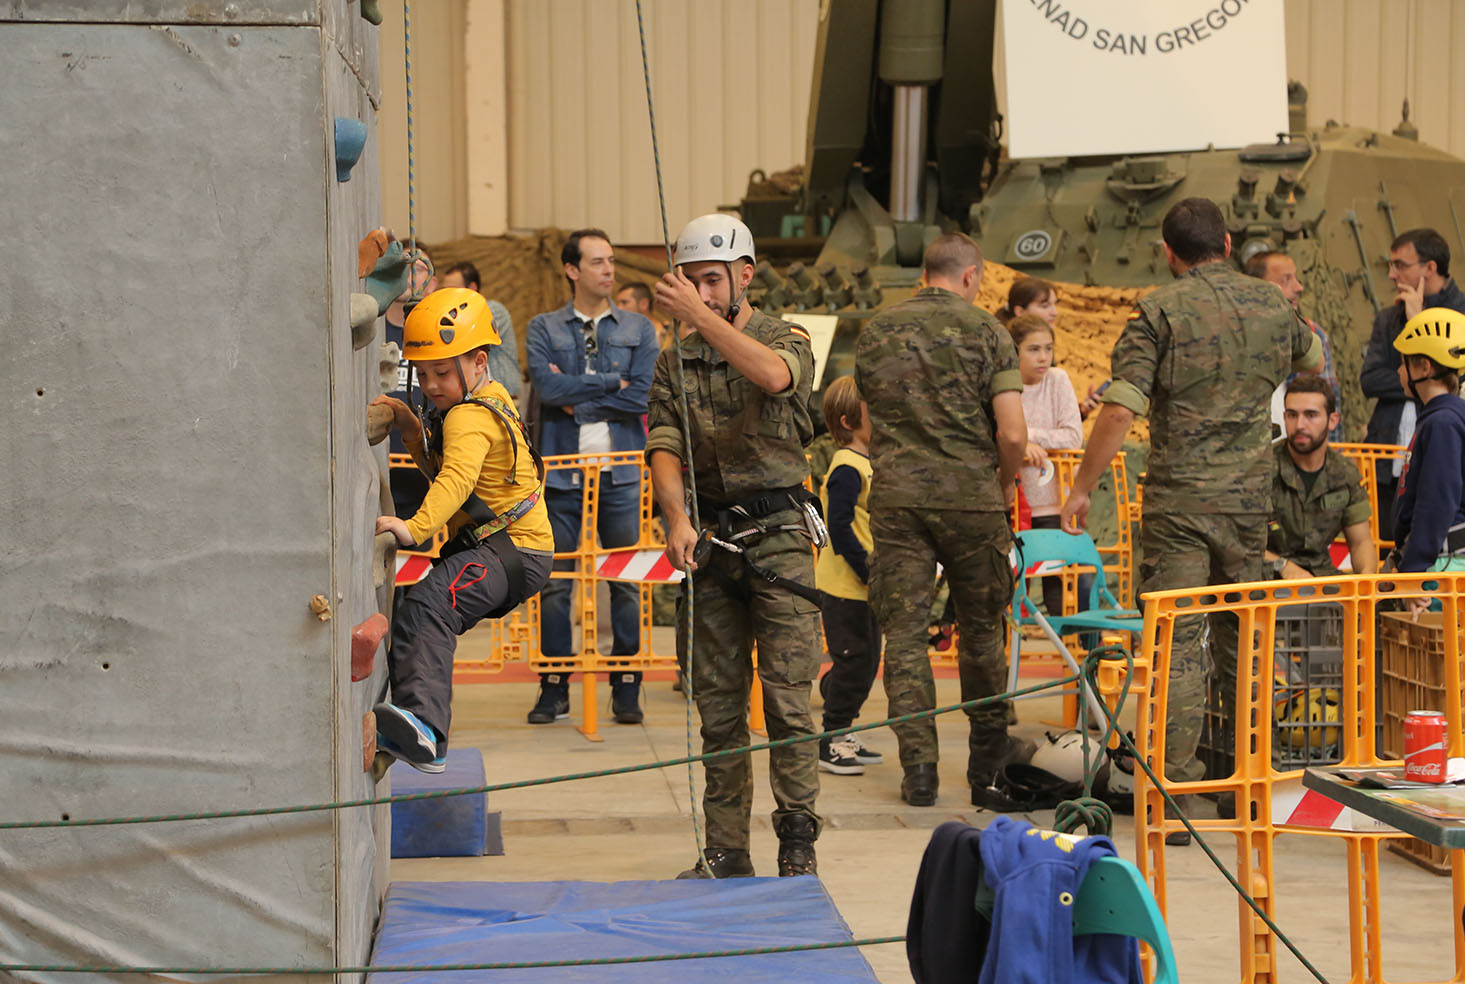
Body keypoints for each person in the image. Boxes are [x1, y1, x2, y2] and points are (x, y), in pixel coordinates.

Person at [1059, 198, 1320, 844]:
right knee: (1244, 640)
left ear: (1169, 253)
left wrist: (1081, 487)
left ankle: (1173, 798)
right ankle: (1245, 787)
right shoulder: (1271, 306)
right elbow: (1312, 359)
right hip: (1247, 504)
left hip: (1179, 506)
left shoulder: (1159, 311)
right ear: (1227, 242)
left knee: (1176, 645)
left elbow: (1120, 409)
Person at [646, 213, 822, 879]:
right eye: (690, 280)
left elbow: (775, 377)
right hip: (713, 540)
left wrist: (701, 317)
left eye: (712, 280)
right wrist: (676, 518)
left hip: (779, 538)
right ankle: (726, 848)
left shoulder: (785, 336)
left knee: (786, 701)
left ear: (744, 276)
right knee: (718, 706)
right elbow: (664, 441)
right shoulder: (673, 360)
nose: (700, 291)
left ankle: (796, 842)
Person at [854, 232, 1030, 810]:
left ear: (925, 271)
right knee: (982, 636)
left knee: (904, 640)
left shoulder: (877, 331)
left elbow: (871, 419)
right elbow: (1011, 432)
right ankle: (986, 769)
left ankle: (920, 773)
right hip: (971, 499)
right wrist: (1002, 485)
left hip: (899, 501)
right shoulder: (989, 332)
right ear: (972, 275)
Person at [370, 288, 554, 772]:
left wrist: (416, 528)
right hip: (507, 550)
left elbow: (455, 480)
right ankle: (405, 721)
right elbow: (448, 469)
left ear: (478, 361)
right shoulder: (487, 400)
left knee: (430, 606)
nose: (430, 384)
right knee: (418, 611)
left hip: (510, 552)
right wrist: (412, 429)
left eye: (442, 372)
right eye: (424, 373)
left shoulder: (470, 417)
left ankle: (426, 732)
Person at [525, 229, 659, 726]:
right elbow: (546, 384)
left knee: (625, 581)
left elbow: (641, 396)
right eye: (598, 262)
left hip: (621, 475)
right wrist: (609, 384)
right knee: (555, 581)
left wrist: (576, 402)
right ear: (572, 270)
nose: (610, 270)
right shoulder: (543, 327)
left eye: (611, 261)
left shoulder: (640, 330)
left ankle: (626, 686)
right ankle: (553, 686)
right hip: (560, 477)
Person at [1361, 229, 1465, 540]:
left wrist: (1418, 321)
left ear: (1429, 268)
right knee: (1386, 538)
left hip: (1444, 449)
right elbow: (1370, 379)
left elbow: (1455, 380)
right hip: (1387, 452)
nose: (1392, 274)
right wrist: (1424, 378)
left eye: (1400, 265)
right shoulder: (1388, 318)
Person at [813, 376, 883, 776]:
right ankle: (831, 738)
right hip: (846, 586)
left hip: (865, 585)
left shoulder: (868, 463)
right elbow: (838, 527)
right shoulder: (846, 467)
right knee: (853, 661)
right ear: (849, 421)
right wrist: (866, 572)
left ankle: (844, 728)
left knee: (867, 661)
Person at [1387, 307, 1465, 614]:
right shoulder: (1441, 419)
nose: (1398, 372)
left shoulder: (1443, 423)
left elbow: (1436, 503)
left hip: (1442, 569)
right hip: (1437, 564)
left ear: (1423, 366)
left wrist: (1413, 574)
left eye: (1403, 363)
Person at [1007, 313, 1084, 618]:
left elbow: (1072, 436)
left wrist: (1026, 437)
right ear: (1015, 351)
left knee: (1061, 581)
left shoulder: (1058, 379)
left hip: (1054, 502)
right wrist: (1019, 444)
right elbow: (998, 433)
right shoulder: (1005, 384)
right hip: (1012, 503)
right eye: (1034, 349)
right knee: (1008, 580)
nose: (1043, 357)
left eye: (1048, 349)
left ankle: (1071, 655)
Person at [1266, 374, 1376, 578]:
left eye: (1311, 415)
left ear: (1332, 420)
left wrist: (1367, 580)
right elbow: (1239, 544)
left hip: (1322, 578)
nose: (1300, 424)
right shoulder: (1263, 469)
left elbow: (1361, 542)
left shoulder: (1345, 474)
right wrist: (1283, 566)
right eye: (1292, 415)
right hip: (1266, 582)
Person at [1245, 250, 1343, 441]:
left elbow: (1328, 403)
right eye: (1285, 280)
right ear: (1258, 287)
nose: (1298, 287)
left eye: (1296, 278)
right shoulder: (1235, 336)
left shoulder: (1313, 334)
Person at [997, 276, 1101, 418]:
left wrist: (1079, 412)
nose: (1055, 312)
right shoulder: (999, 349)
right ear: (1020, 311)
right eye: (1045, 306)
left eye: (1048, 349)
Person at [384, 251, 437, 518]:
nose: (409, 275)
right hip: (378, 469)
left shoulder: (440, 337)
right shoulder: (372, 335)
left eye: (417, 268)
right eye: (402, 268)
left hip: (426, 472)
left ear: (433, 282)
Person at [440, 260, 522, 403]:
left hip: (502, 400)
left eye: (453, 290)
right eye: (444, 291)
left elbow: (462, 332)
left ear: (472, 287)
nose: (447, 296)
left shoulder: (493, 310)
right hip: (476, 399)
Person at [615, 281, 670, 347]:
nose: (618, 308)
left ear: (644, 304)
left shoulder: (668, 338)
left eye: (624, 302)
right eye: (618, 303)